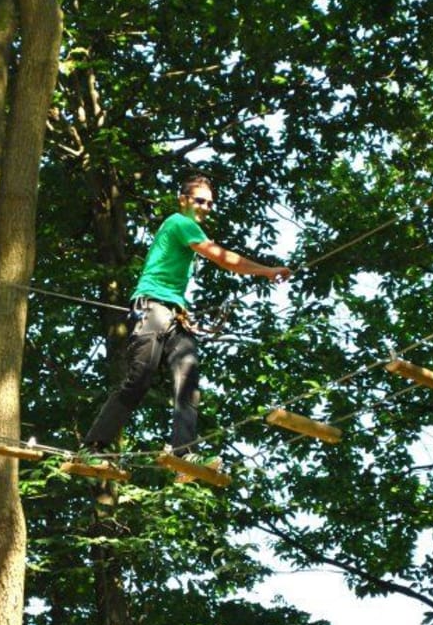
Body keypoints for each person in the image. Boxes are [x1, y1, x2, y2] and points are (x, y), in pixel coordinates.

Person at [80, 175, 291, 479]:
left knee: (188, 380)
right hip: (151, 307)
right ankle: (92, 446)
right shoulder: (180, 222)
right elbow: (222, 258)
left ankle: (184, 452)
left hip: (174, 313)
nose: (206, 206)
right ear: (183, 199)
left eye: (209, 202)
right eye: (200, 200)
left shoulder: (187, 227)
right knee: (140, 378)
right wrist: (267, 271)